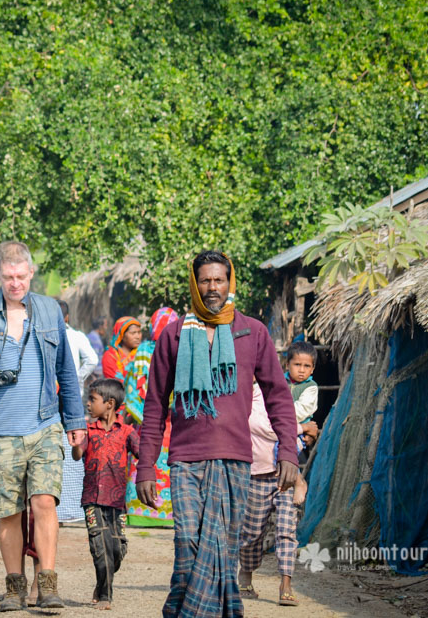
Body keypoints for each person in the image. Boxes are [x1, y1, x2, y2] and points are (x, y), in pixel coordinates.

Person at [136, 250, 298, 618]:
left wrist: (288, 451)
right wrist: (146, 467)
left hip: (236, 461)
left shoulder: (252, 332)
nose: (213, 287)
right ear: (195, 284)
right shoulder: (174, 336)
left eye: (219, 280)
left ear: (230, 282)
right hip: (185, 460)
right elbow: (155, 407)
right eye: (205, 280)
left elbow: (278, 395)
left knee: (223, 549)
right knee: (188, 546)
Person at [0, 240, 85, 611]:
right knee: (9, 512)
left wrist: (75, 421)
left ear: (31, 274)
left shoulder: (50, 310)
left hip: (44, 424)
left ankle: (48, 583)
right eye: (8, 277)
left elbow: (66, 373)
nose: (15, 283)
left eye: (21, 276)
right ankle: (14, 587)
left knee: (43, 502)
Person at [238, 382, 318, 607]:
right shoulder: (247, 394)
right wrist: (303, 428)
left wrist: (300, 430)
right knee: (252, 533)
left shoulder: (280, 392)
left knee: (286, 529)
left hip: (284, 473)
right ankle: (245, 574)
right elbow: (264, 426)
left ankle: (286, 584)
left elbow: (284, 422)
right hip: (256, 475)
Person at [71, 379, 139, 610]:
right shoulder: (88, 430)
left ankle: (101, 583)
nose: (88, 404)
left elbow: (142, 453)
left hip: (118, 501)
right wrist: (76, 441)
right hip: (92, 499)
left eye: (93, 400)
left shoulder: (127, 431)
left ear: (109, 404)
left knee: (117, 548)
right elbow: (77, 455)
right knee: (100, 546)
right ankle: (106, 595)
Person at [123, 306, 179, 527]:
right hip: (168, 424)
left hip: (151, 422)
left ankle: (145, 513)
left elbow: (131, 391)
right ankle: (163, 515)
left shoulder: (142, 352)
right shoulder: (177, 348)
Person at [57, 299, 99, 524]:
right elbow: (92, 360)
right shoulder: (76, 336)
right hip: (70, 397)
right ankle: (71, 508)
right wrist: (77, 378)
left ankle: (59, 509)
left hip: (52, 398)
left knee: (56, 448)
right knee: (71, 445)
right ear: (67, 317)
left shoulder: (45, 333)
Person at [285, 340, 320, 506]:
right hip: (279, 427)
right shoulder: (280, 382)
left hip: (297, 432)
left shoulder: (310, 388)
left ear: (312, 369)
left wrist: (278, 414)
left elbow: (301, 410)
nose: (301, 370)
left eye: (307, 366)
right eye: (297, 364)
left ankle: (298, 481)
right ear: (287, 365)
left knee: (285, 450)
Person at [101, 316, 142, 383]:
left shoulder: (143, 353)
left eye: (139, 332)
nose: (137, 337)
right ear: (121, 335)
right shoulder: (110, 356)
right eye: (133, 333)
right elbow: (114, 382)